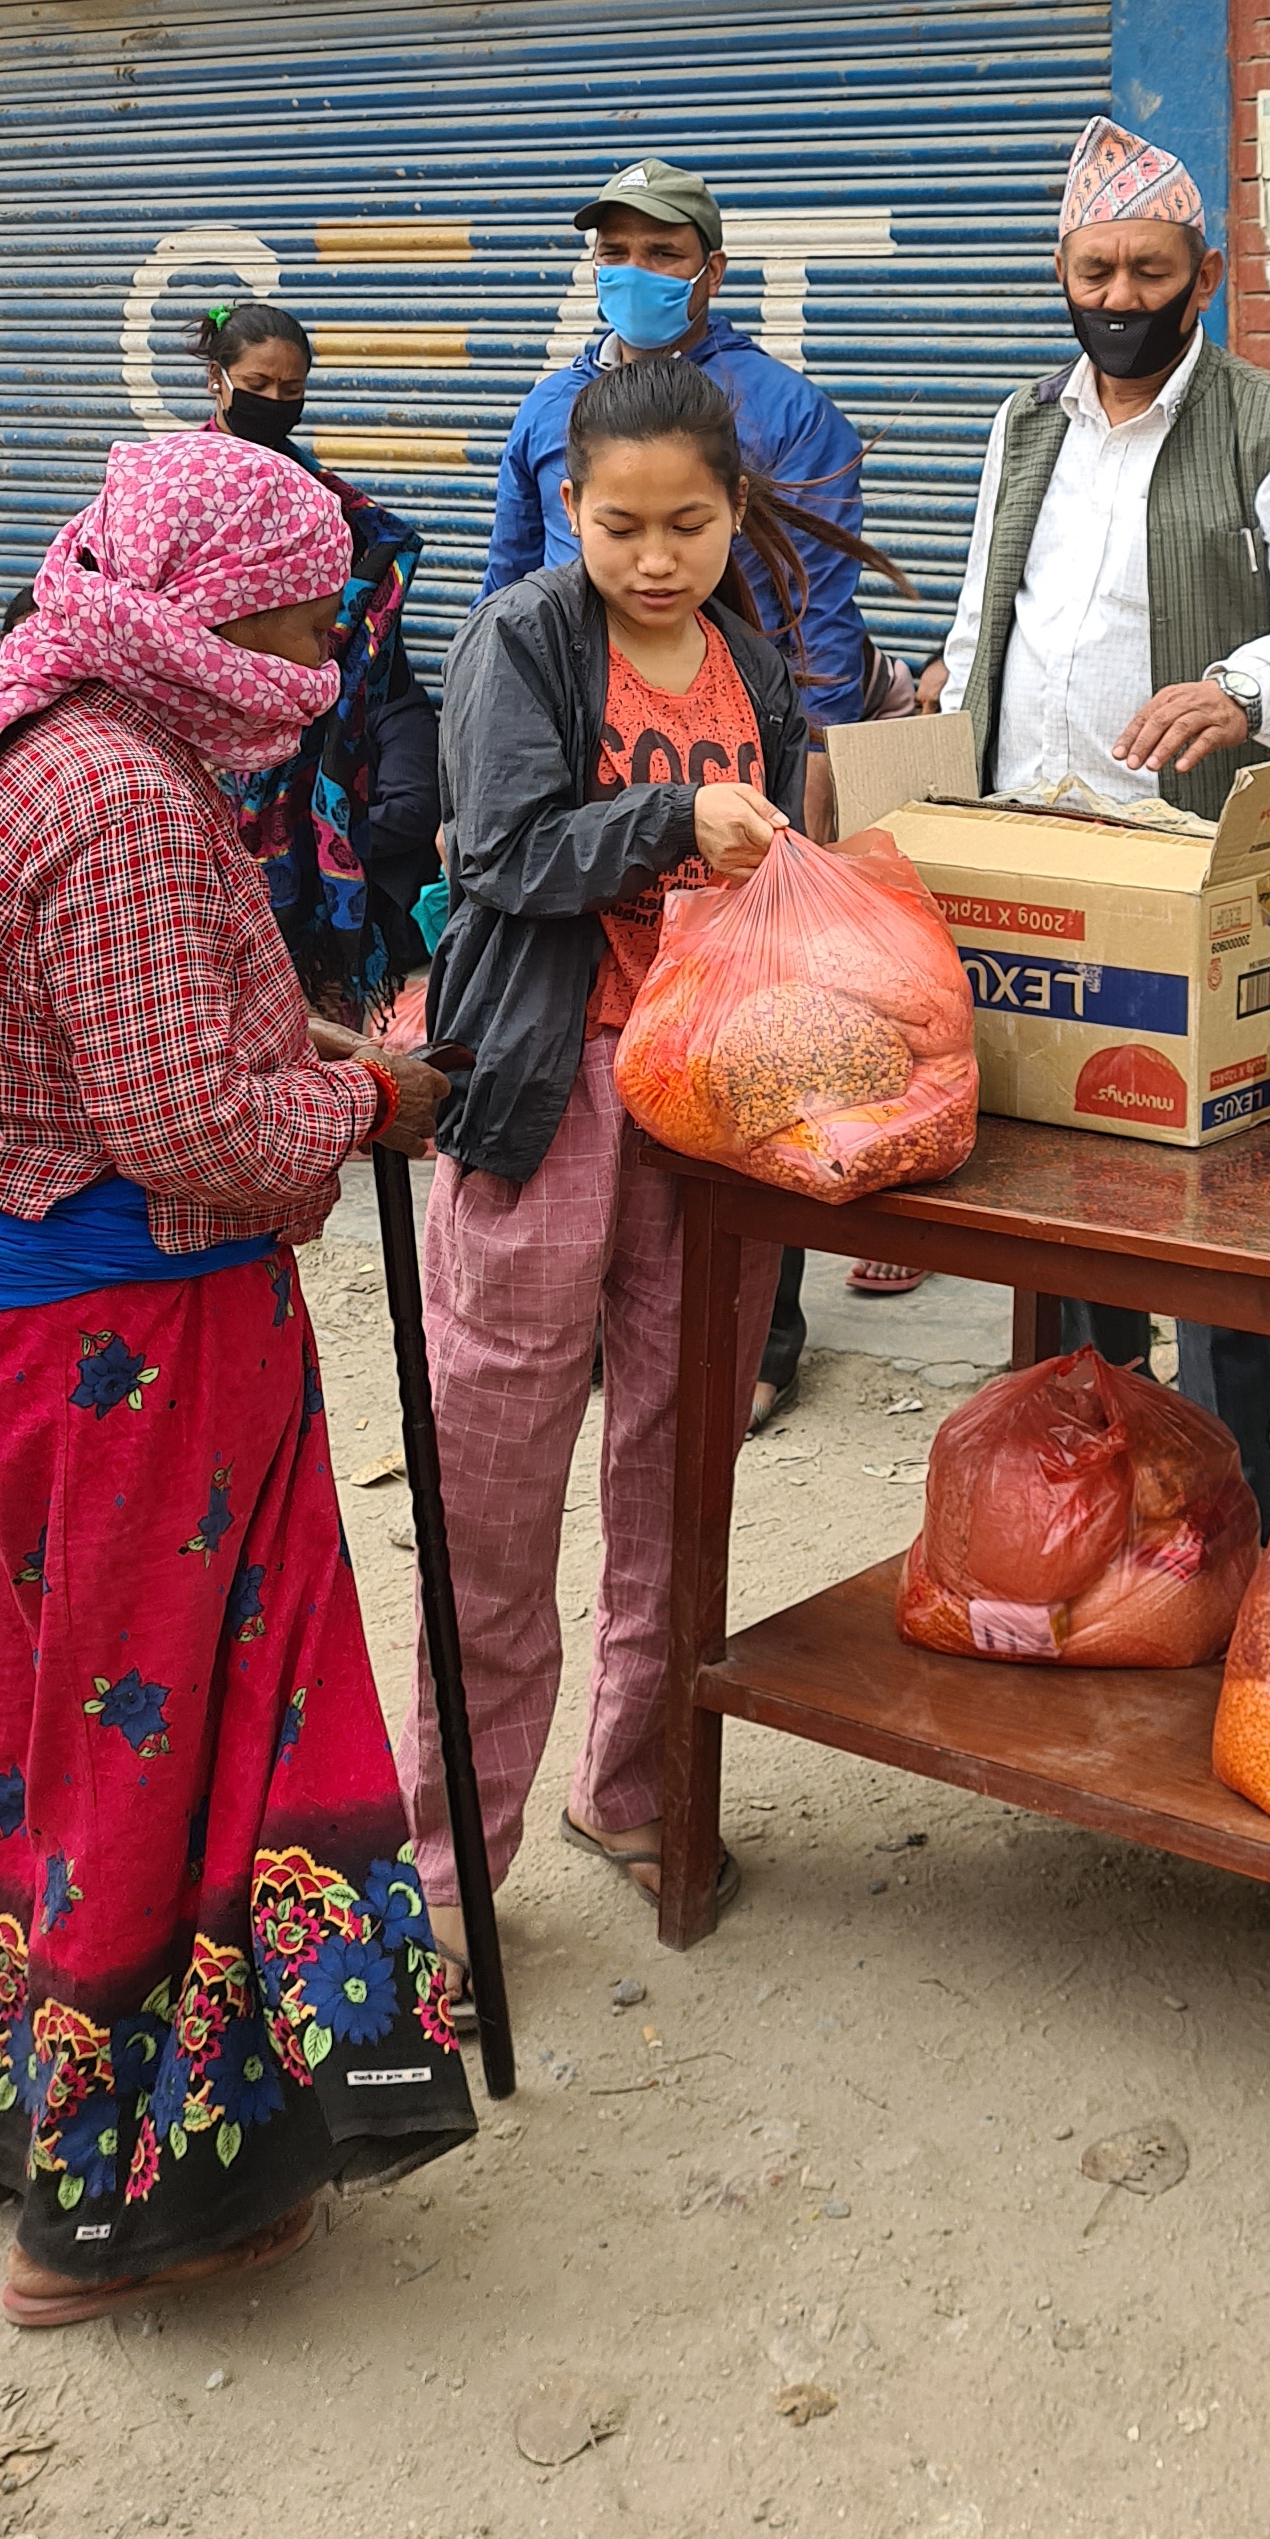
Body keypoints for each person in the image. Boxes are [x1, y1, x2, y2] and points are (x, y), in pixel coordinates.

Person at [0, 435, 472, 2328]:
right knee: (160, 1716)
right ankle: (118, 2205)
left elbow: (123, 1033)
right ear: (212, 614)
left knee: (50, 1687)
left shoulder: (32, 725)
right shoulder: (120, 792)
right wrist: (366, 1104)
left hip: (10, 1318)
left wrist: (298, 1037)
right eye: (301, 620)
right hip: (121, 1340)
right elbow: (184, 1122)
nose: (324, 655)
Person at [408, 351, 862, 1966]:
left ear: (734, 509)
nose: (655, 558)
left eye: (686, 524)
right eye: (620, 527)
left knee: (681, 1465)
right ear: (568, 508)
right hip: (551, 1091)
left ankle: (632, 1782)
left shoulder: (755, 661)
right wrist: (675, 824)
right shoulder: (525, 639)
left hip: (709, 1099)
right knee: (495, 1483)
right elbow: (499, 855)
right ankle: (449, 1864)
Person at [929, 116, 1270, 1529]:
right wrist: (940, 734)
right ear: (1062, 273)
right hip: (1040, 852)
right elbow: (982, 609)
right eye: (1096, 271)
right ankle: (1098, 1502)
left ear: (1206, 275)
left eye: (1149, 271)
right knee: (1068, 1188)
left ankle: (1227, 1509)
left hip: (1198, 870)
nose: (1119, 297)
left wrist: (1242, 688)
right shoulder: (1026, 422)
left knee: (1217, 1199)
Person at [480, 158, 881, 1400]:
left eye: (663, 254)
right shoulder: (552, 406)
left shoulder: (783, 409)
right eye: (615, 253)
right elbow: (505, 573)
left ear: (711, 268)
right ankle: (613, 1332)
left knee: (753, 1052)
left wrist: (811, 767)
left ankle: (759, 1344)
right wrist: (480, 752)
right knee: (594, 1081)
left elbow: (818, 619)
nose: (636, 275)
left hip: (728, 764)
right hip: (576, 775)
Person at [190, 301, 441, 1022]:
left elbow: (373, 574)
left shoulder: (321, 499)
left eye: (291, 390)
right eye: (257, 385)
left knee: (305, 978)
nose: (274, 402)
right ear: (216, 379)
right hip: (208, 729)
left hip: (308, 737)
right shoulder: (177, 490)